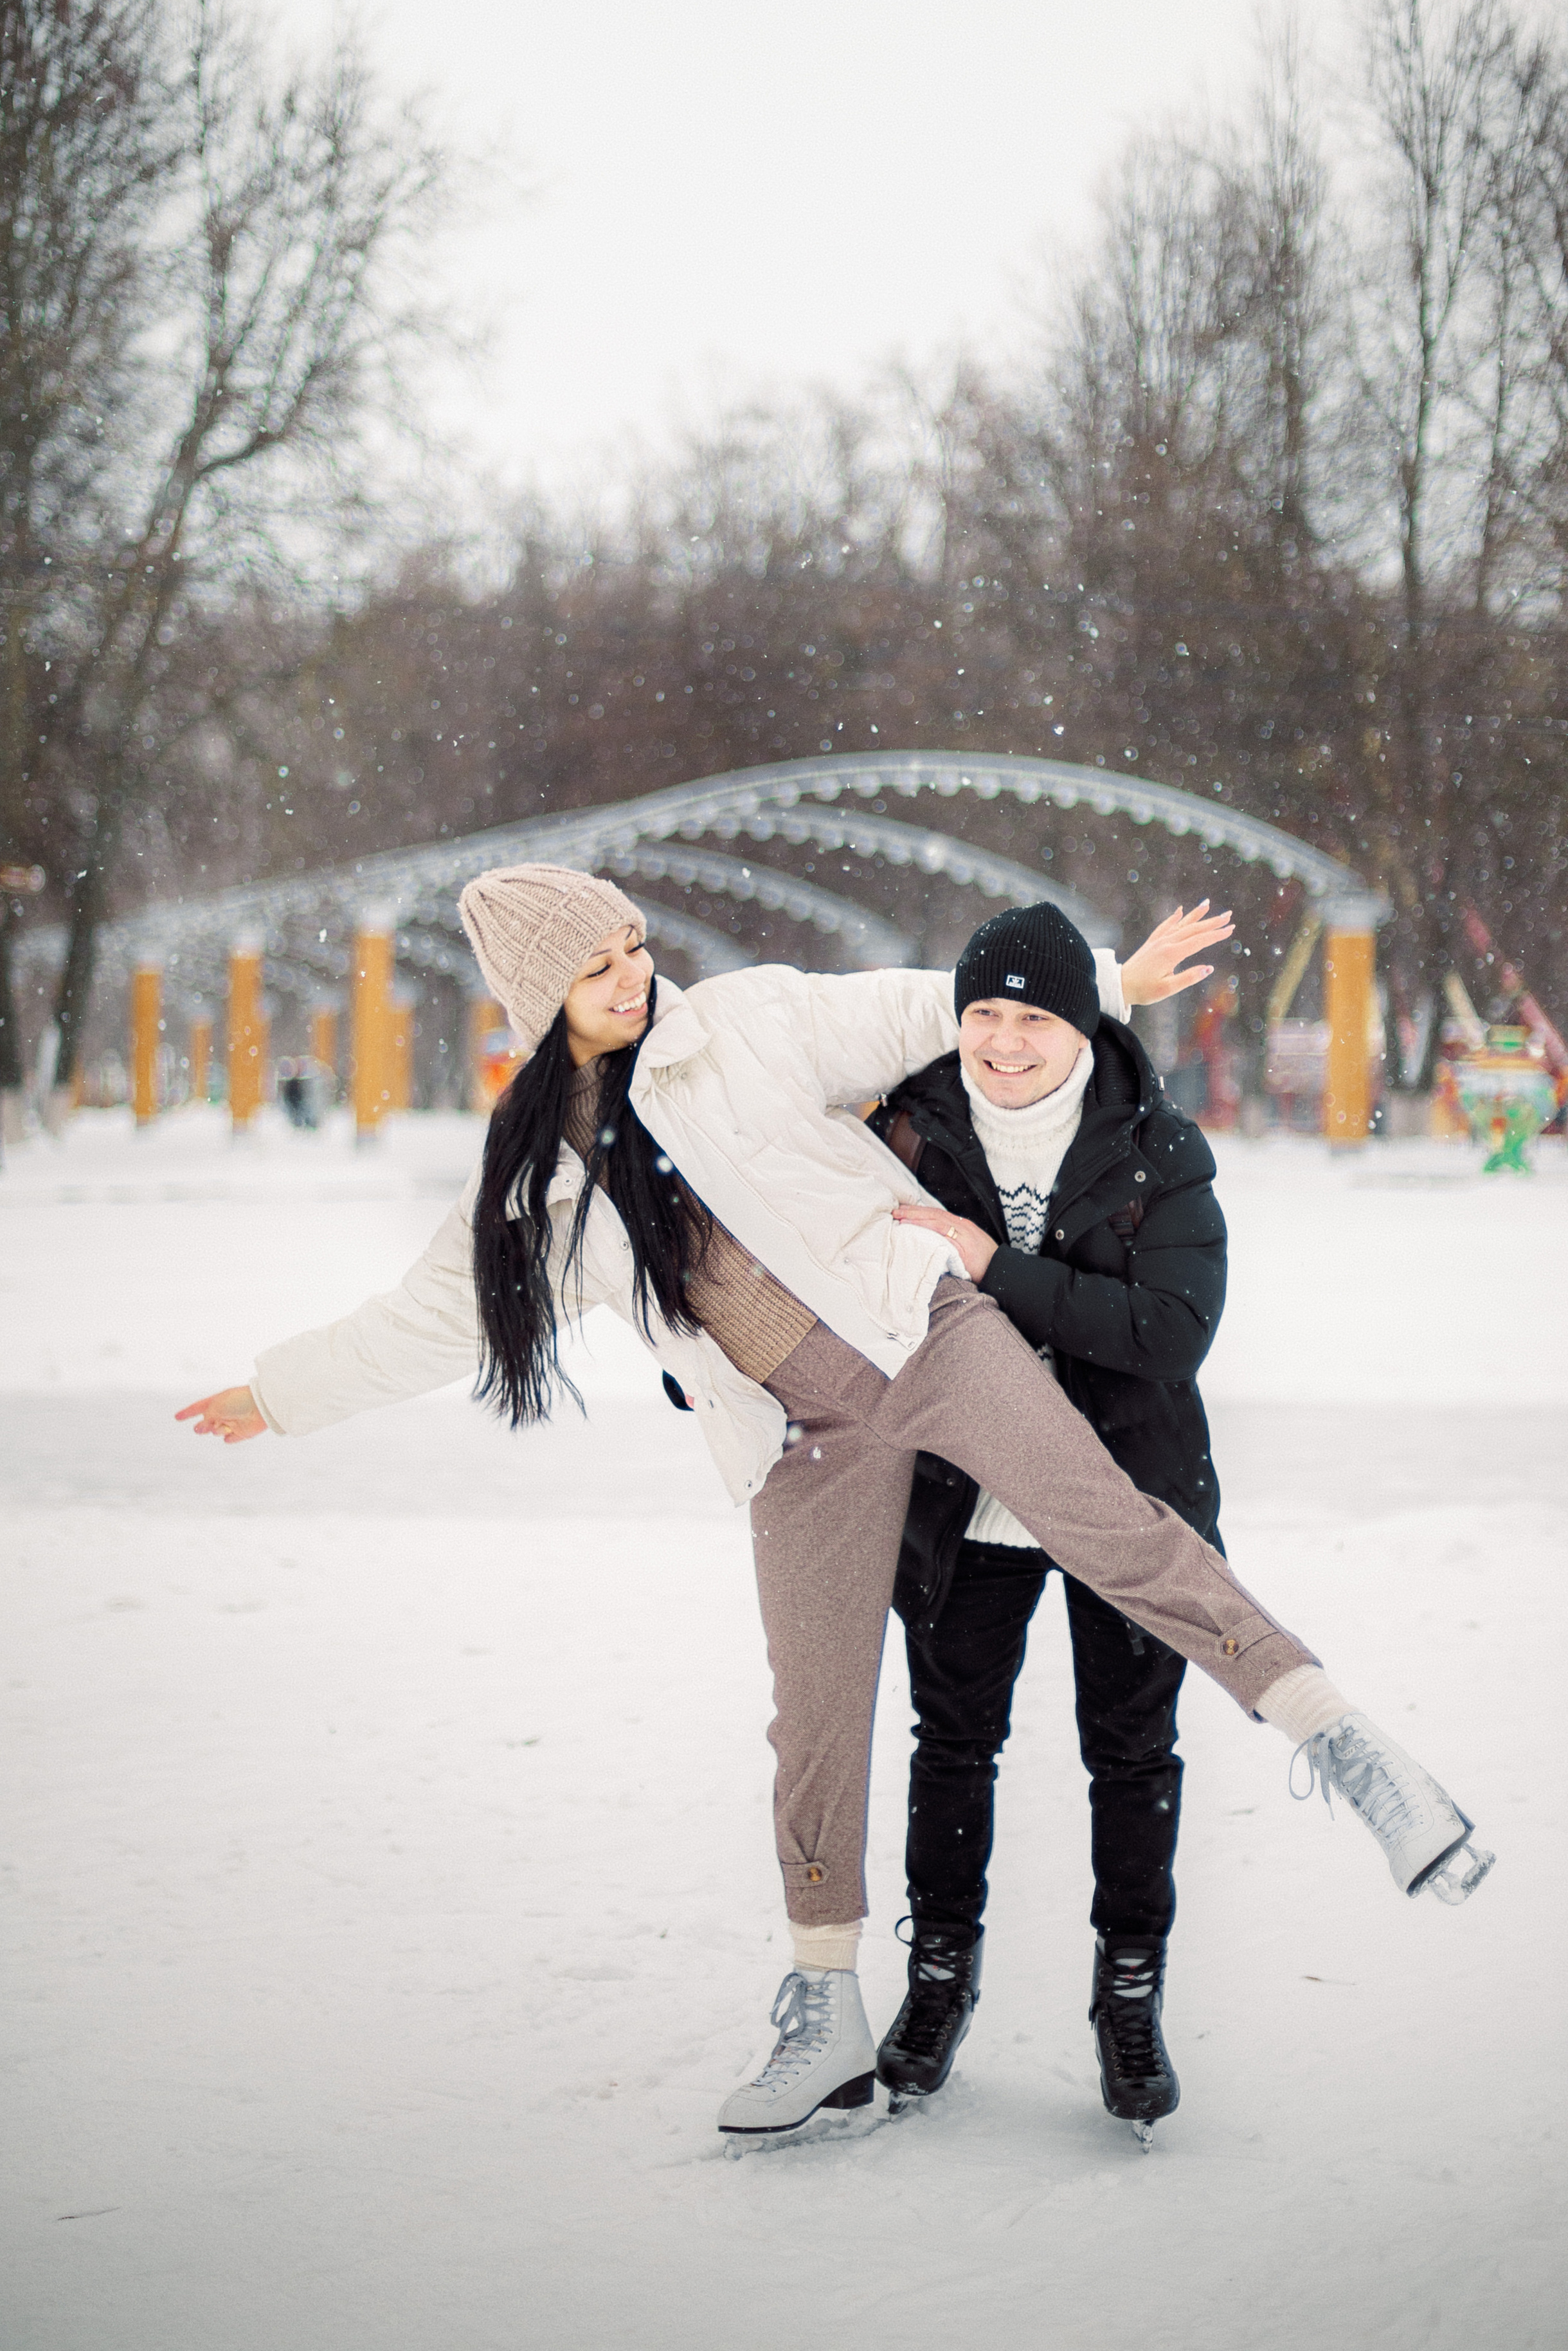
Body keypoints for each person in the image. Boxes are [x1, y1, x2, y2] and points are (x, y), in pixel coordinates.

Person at [177, 865, 1493, 2148]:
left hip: (920, 1331)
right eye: (596, 964)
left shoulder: (741, 1024)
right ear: (542, 996)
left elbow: (919, 1009)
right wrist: (279, 1392)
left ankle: (1342, 1741)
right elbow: (431, 1314)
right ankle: (823, 2003)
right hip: (800, 1438)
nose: (634, 974)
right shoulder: (546, 1178)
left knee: (1109, 1526)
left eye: (632, 943)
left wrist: (1104, 984)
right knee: (810, 1718)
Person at [864, 900, 1227, 2141]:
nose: (1005, 1042)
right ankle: (939, 1978)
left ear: (1084, 1023)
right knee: (951, 1743)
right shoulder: (903, 1130)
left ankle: (1130, 1990)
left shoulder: (1158, 1151)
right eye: (983, 1013)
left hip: (1127, 1497)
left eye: (1033, 1017)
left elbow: (1167, 1336)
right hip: (963, 1499)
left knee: (1130, 1754)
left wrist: (992, 1264)